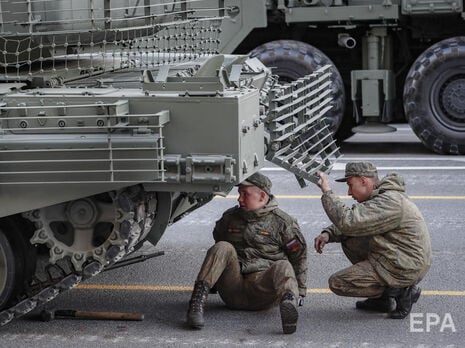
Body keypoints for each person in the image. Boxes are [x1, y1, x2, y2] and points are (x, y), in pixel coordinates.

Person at [186, 172, 307, 334]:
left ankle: (289, 309)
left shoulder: (283, 223)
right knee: (223, 246)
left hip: (262, 293)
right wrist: (213, 282)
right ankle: (196, 306)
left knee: (283, 265)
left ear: (262, 196)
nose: (239, 199)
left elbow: (299, 257)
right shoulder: (230, 218)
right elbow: (218, 249)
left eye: (245, 194)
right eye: (239, 194)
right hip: (232, 290)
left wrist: (301, 296)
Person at [314, 161, 432, 319]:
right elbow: (360, 221)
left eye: (350, 185)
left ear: (364, 181)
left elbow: (349, 222)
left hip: (406, 265)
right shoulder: (381, 197)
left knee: (338, 283)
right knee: (350, 239)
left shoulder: (389, 201)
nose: (349, 192)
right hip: (398, 257)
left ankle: (401, 291)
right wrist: (328, 233)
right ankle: (383, 300)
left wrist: (327, 191)